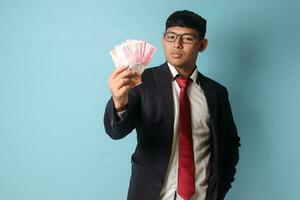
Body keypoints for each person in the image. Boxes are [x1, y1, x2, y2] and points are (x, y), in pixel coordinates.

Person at [104, 10, 240, 200]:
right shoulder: (141, 81)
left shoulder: (217, 93)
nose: (177, 44)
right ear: (163, 40)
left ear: (202, 45)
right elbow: (116, 132)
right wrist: (119, 103)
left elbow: (230, 145)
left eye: (187, 39)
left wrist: (219, 190)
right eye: (171, 37)